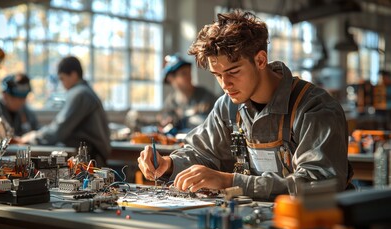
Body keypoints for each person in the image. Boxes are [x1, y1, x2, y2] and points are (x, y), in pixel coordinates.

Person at [137, 10, 352, 200]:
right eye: (217, 75)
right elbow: (201, 153)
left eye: (233, 72)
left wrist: (231, 182)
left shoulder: (315, 108)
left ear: (260, 60)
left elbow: (318, 184)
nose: (224, 84)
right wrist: (169, 164)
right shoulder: (228, 107)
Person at [19, 56, 111, 166]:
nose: (62, 84)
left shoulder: (80, 94)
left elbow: (58, 130)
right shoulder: (85, 91)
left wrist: (33, 137)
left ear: (73, 75)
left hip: (91, 159)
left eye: (62, 78)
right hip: (93, 155)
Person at [160, 54, 217, 133]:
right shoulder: (170, 103)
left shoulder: (206, 97)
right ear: (171, 78)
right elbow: (165, 122)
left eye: (189, 72)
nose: (189, 77)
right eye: (183, 74)